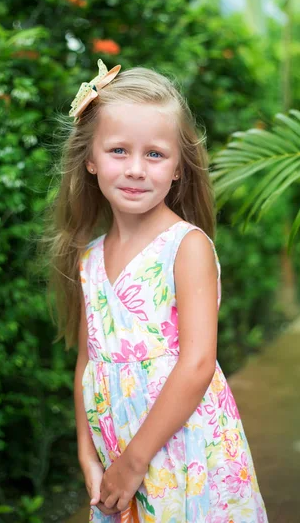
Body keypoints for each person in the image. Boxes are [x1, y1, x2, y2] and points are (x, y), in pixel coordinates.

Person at [49, 60, 268, 522]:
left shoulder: (185, 248)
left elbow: (196, 364)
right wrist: (89, 456)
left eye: (154, 154)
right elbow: (89, 360)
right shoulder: (87, 257)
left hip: (185, 453)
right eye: (118, 151)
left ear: (177, 169)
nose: (135, 169)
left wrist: (133, 464)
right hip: (118, 452)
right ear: (90, 159)